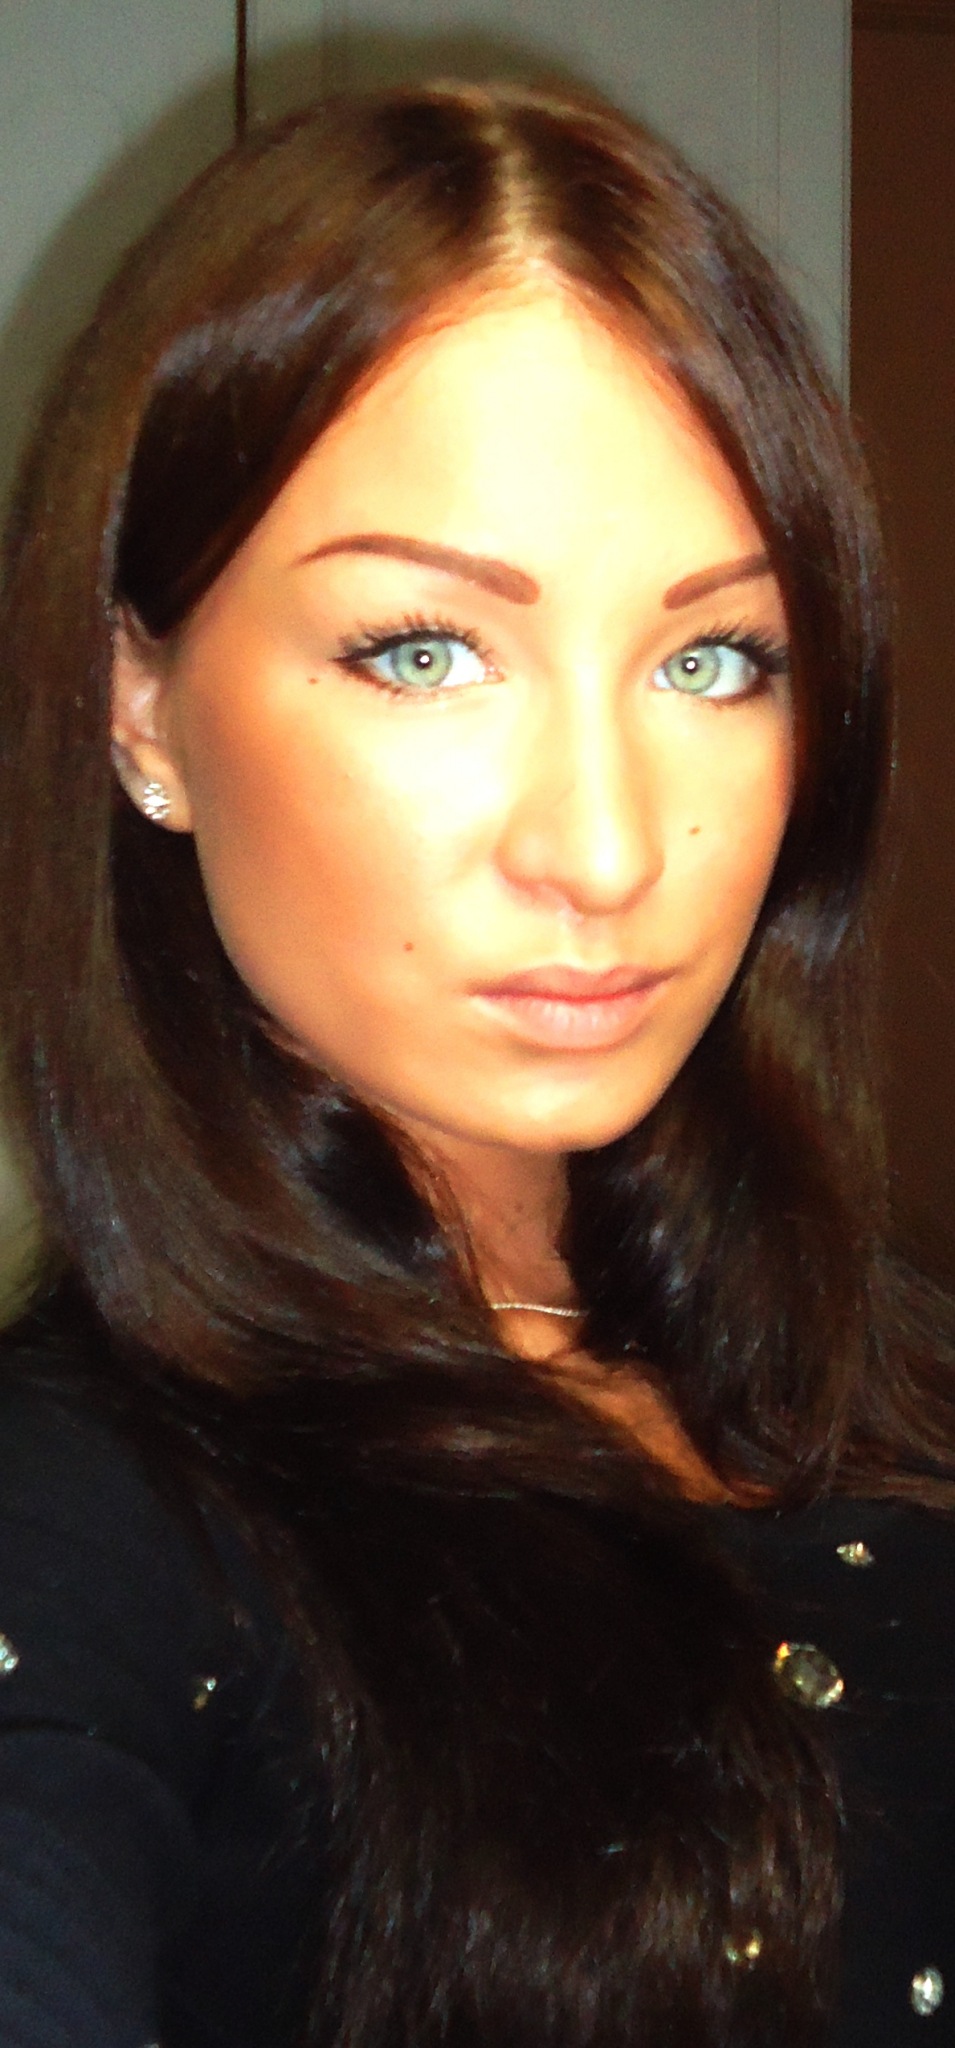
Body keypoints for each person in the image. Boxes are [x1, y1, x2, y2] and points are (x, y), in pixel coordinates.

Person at [0, 73, 953, 2048]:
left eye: (712, 658)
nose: (605, 848)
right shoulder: (87, 1527)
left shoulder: (882, 1365)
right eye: (424, 650)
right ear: (140, 706)